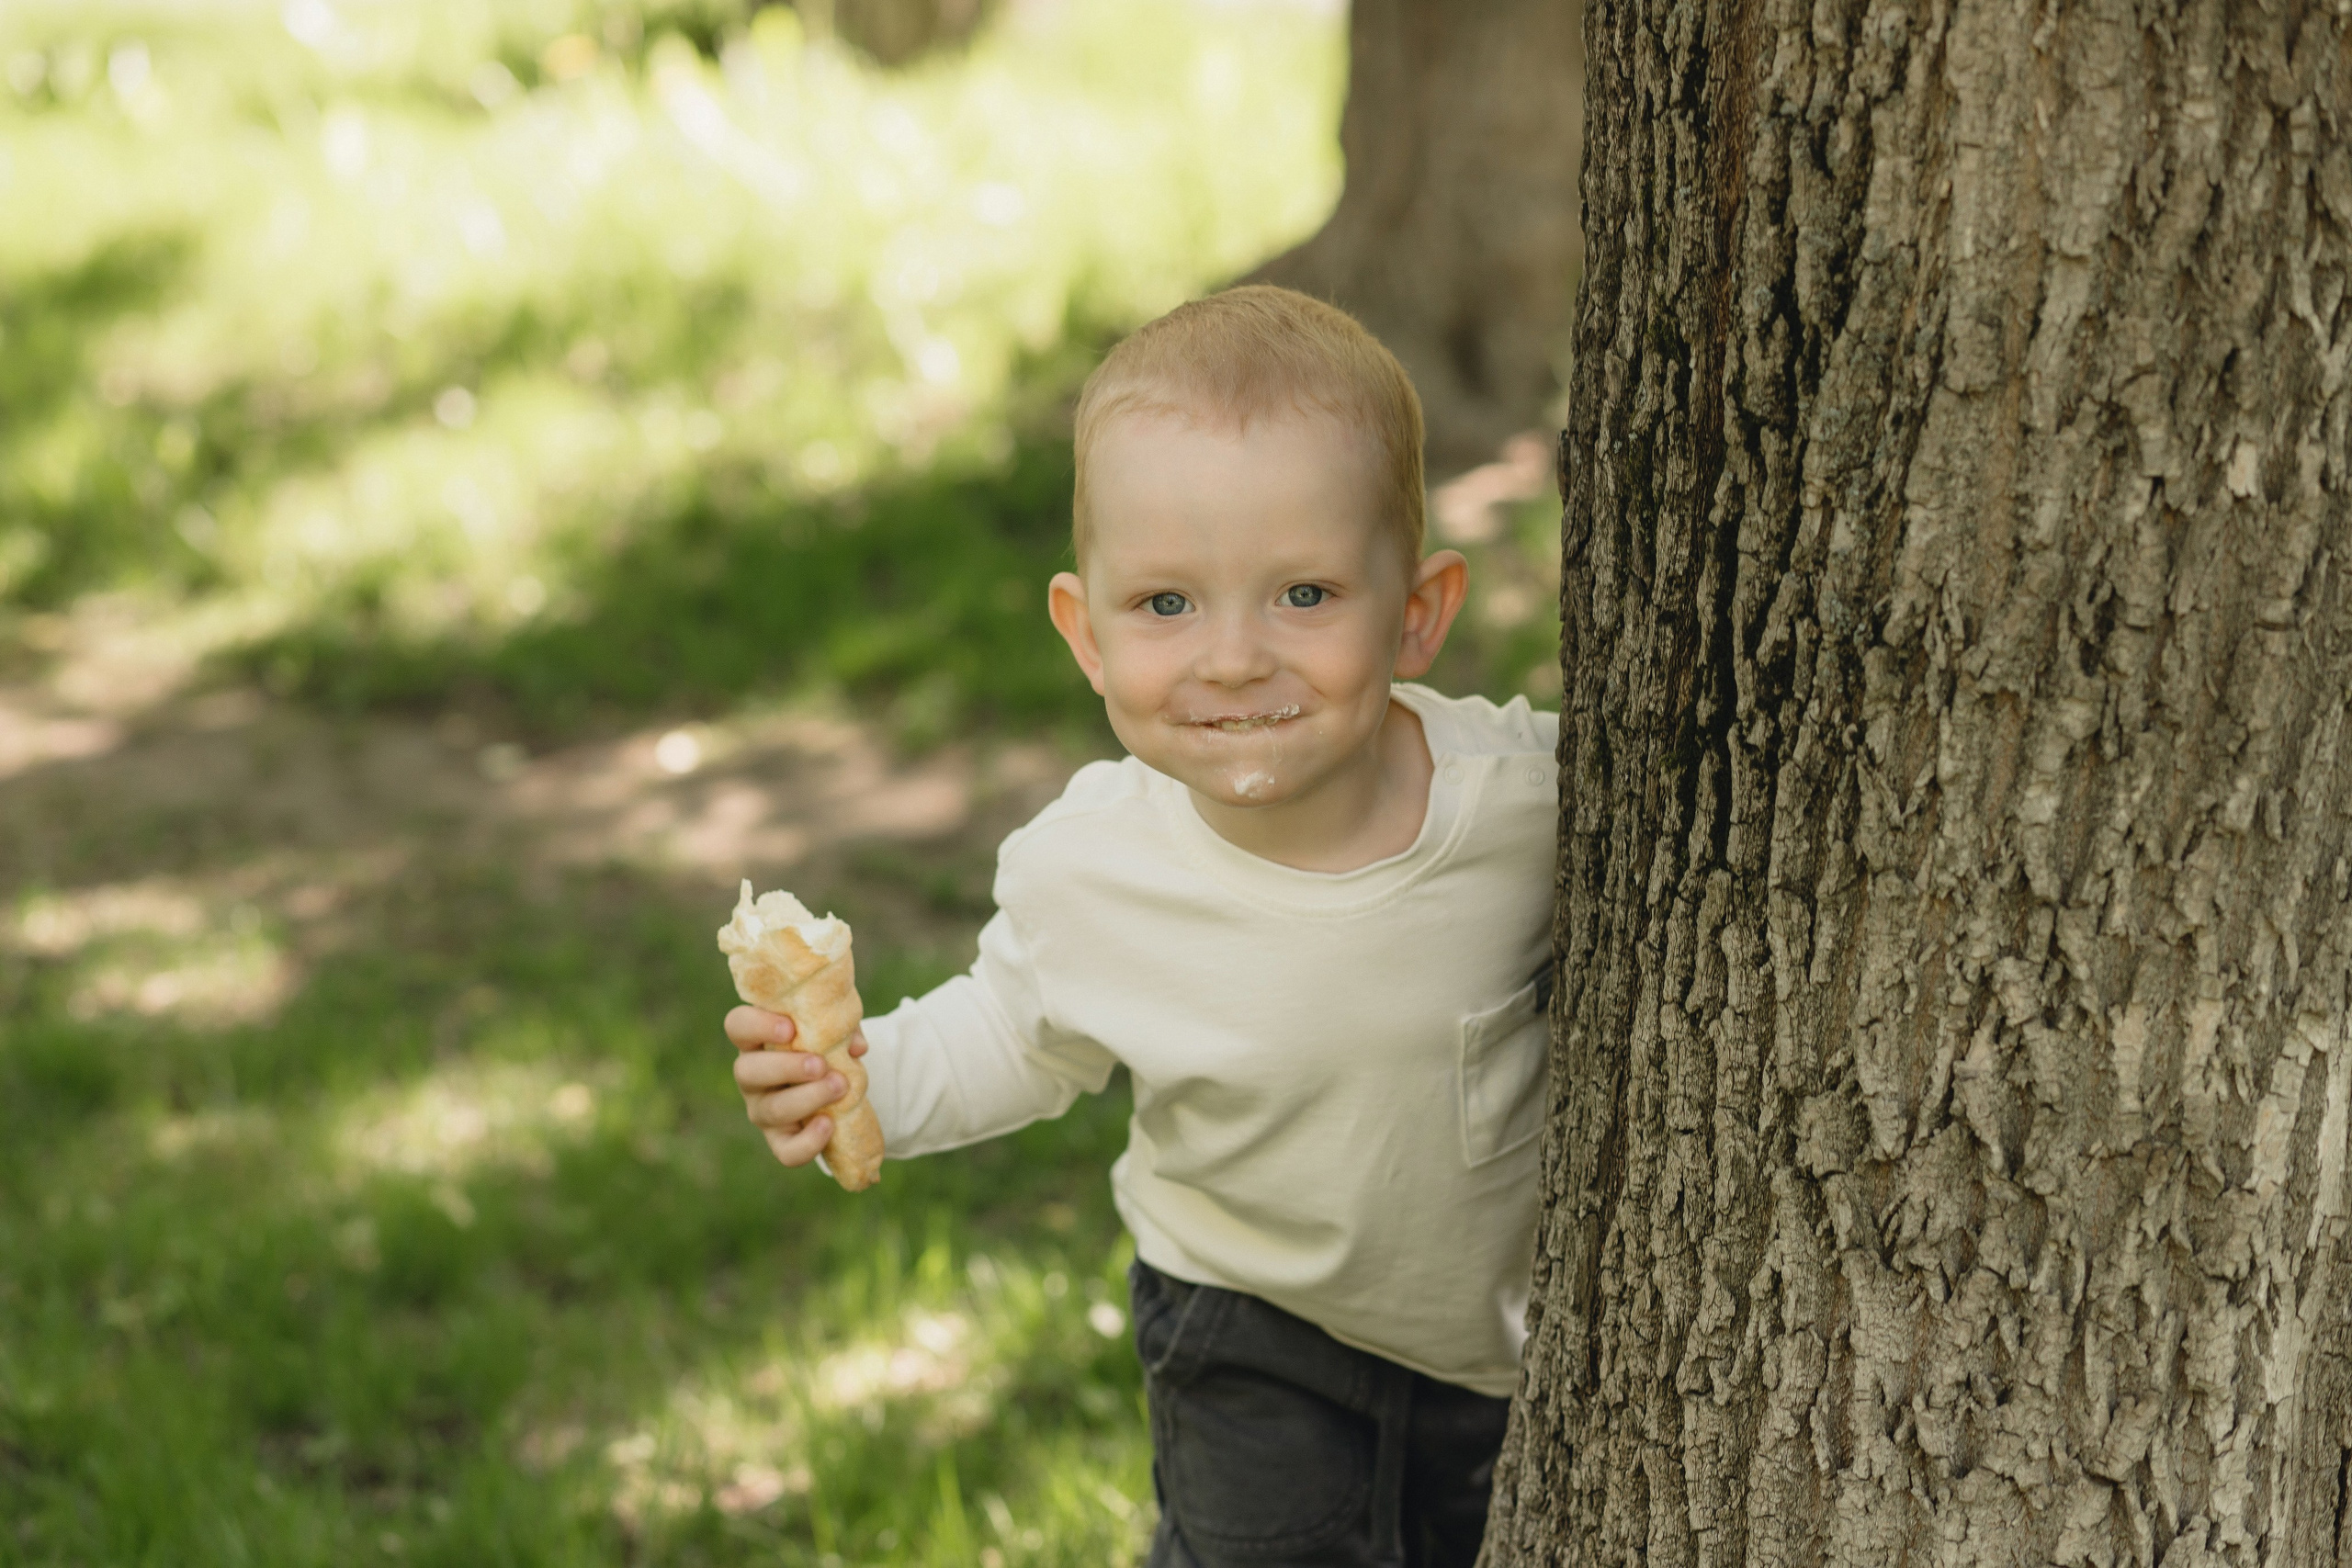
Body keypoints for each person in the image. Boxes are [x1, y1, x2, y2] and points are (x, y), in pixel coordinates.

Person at [725, 285, 1556, 1567]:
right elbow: (1013, 1031)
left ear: (1419, 611)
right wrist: (856, 1077)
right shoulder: (1095, 867)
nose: (1232, 658)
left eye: (1305, 594)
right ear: (1088, 635)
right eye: (1167, 605)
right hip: (1247, 1327)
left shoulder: (1528, 813)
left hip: (1512, 1356)